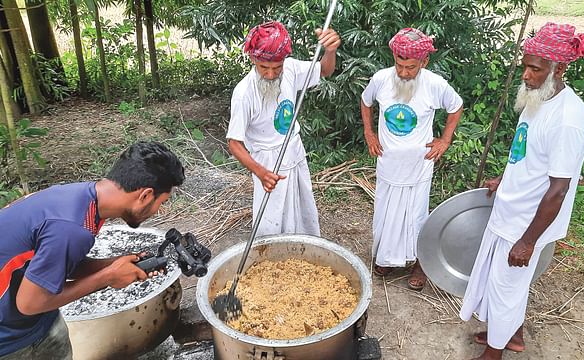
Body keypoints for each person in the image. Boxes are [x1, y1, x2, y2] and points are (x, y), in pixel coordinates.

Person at [459, 23, 584, 360]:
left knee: (506, 287)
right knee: (505, 283)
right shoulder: (540, 99)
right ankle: (512, 335)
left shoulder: (567, 118)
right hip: (512, 208)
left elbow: (559, 190)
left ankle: (494, 353)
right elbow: (525, 154)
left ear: (559, 68)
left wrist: (528, 241)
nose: (527, 76)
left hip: (527, 220)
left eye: (535, 69)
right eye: (525, 67)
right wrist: (505, 179)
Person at [0, 141, 185, 359]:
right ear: (144, 195)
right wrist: (108, 277)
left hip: (36, 321)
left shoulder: (82, 200)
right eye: (161, 202)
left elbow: (58, 261)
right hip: (11, 341)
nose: (159, 211)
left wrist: (115, 263)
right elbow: (30, 303)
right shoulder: (71, 228)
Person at [361, 28, 463, 290]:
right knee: (385, 211)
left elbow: (456, 107)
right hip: (388, 163)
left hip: (419, 165)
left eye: (411, 67)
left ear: (424, 62)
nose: (404, 72)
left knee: (416, 215)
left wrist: (445, 140)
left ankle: (420, 263)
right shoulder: (381, 79)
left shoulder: (435, 84)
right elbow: (365, 102)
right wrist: (369, 133)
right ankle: (386, 258)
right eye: (399, 65)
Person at [226, 21, 341, 237]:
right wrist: (260, 172)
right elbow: (234, 142)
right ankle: (271, 258)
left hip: (293, 151)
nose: (271, 74)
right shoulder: (244, 93)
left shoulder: (292, 69)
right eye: (264, 68)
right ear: (253, 59)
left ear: (284, 61)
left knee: (302, 207)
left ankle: (304, 249)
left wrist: (330, 50)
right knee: (271, 218)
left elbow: (325, 70)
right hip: (267, 162)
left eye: (276, 67)